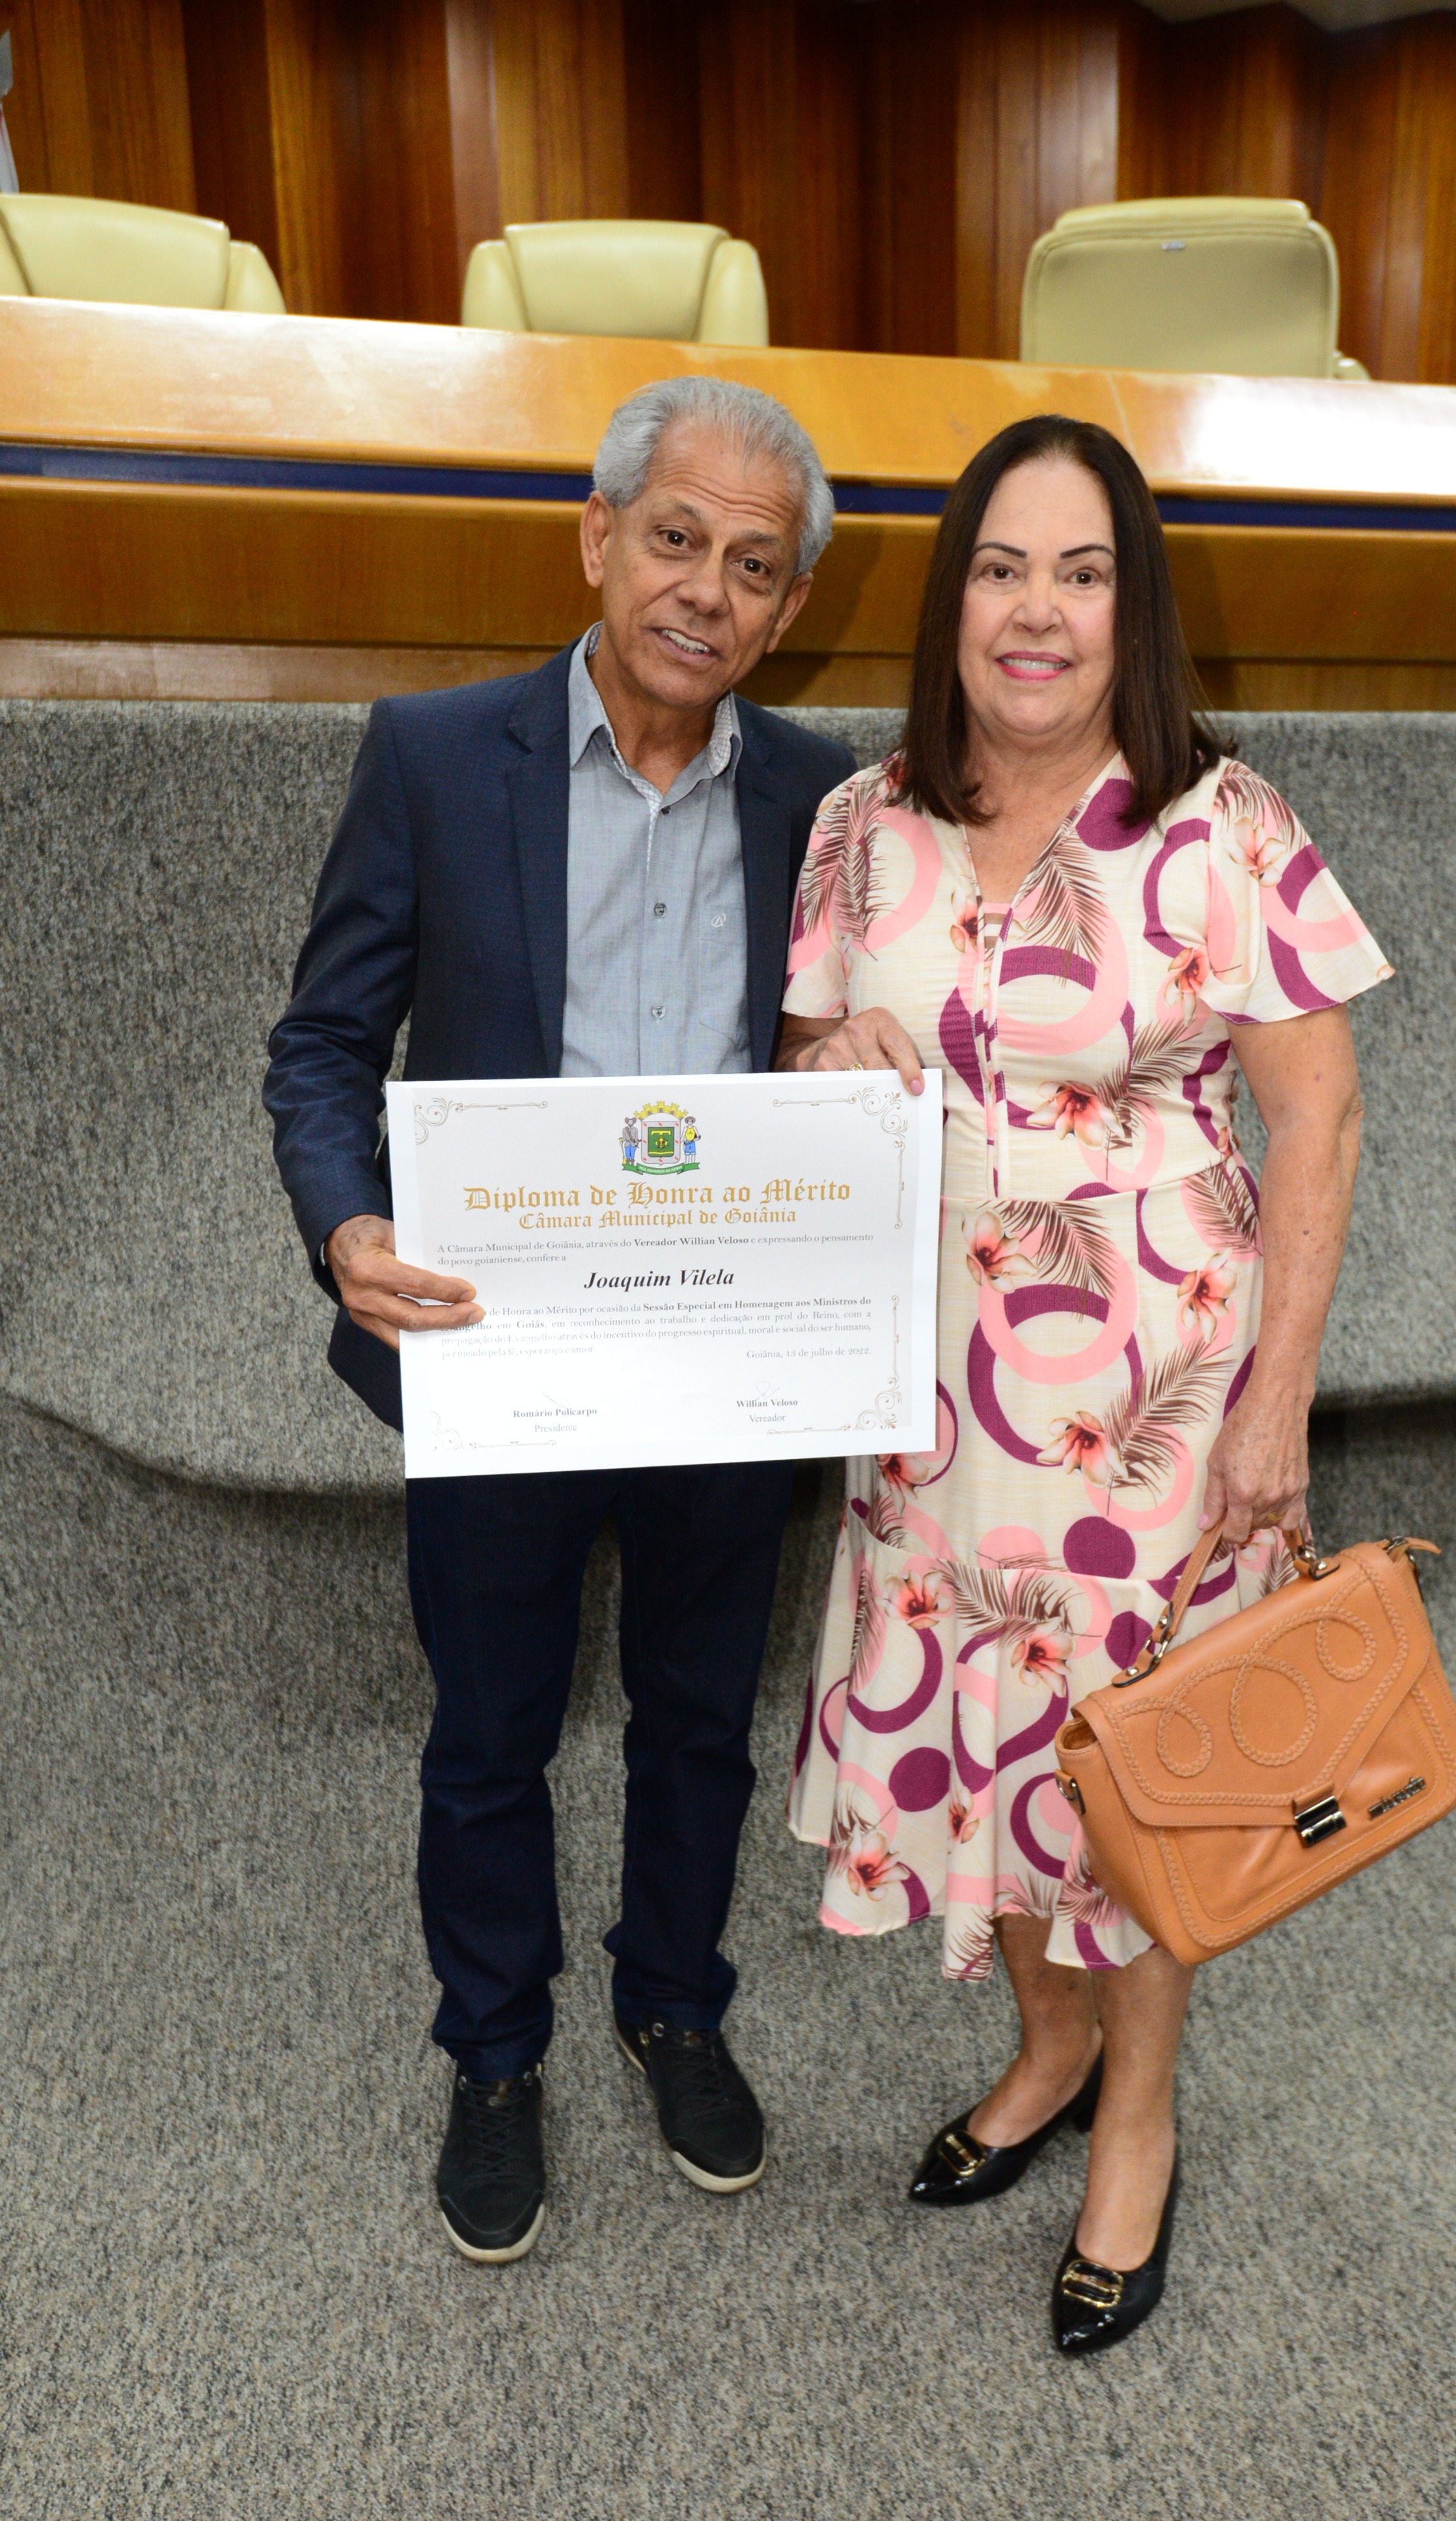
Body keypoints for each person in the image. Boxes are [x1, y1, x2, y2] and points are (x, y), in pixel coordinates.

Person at [776, 414, 1391, 2354]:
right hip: (929, 1404)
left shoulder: (1220, 825)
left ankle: (1137, 2117)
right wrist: (820, 1064)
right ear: (948, 599)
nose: (1033, 610)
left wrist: (1275, 1404)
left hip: (1152, 1409)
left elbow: (1316, 1122)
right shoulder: (858, 824)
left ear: (1131, 609)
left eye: (1079, 571)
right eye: (998, 567)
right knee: (991, 1746)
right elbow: (800, 1074)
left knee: (1133, 1779)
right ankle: (1047, 2050)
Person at [264, 376, 853, 2263]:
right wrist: (345, 1222)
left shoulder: (827, 797)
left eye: (751, 567)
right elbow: (323, 1043)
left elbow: (842, 1052)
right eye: (674, 538)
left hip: (727, 1355)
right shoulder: (439, 757)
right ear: (597, 537)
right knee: (489, 1727)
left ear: (787, 607)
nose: (704, 590)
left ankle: (672, 2005)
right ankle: (494, 2050)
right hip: (496, 1349)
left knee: (698, 1720)